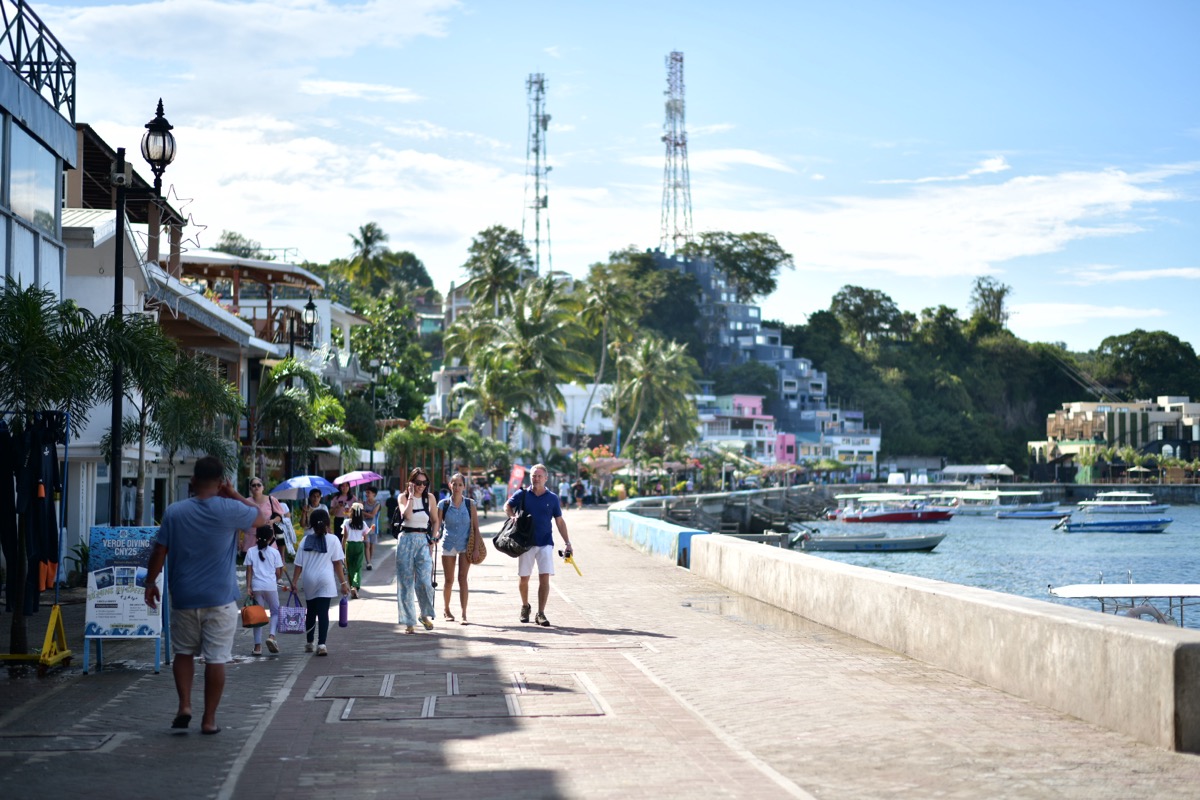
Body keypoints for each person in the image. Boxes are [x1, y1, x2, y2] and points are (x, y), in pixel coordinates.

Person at [143, 455, 268, 735]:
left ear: (194, 480)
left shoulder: (175, 512)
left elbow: (159, 551)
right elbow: (261, 518)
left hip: (184, 597)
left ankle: (184, 705)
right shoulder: (229, 509)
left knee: (183, 653)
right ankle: (209, 720)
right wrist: (233, 493)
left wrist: (150, 583)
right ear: (221, 481)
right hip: (220, 599)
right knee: (216, 658)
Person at [505, 463, 572, 627]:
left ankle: (541, 613)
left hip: (545, 543)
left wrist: (567, 542)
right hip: (525, 543)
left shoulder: (553, 498)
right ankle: (525, 606)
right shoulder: (523, 494)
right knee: (524, 578)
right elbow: (507, 506)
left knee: (544, 578)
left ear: (546, 478)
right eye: (534, 475)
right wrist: (512, 516)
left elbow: (560, 521)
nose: (536, 478)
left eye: (539, 476)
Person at [291, 508, 348, 656]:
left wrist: (294, 582)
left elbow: (298, 564)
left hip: (309, 579)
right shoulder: (334, 540)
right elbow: (337, 563)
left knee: (311, 611)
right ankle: (321, 644)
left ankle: (309, 642)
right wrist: (343, 583)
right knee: (323, 613)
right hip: (325, 579)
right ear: (328, 522)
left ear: (311, 524)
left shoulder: (305, 540)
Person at [395, 467, 439, 634]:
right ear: (411, 483)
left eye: (424, 483)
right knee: (405, 583)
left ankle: (424, 614)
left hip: (423, 541)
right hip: (406, 540)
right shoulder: (403, 497)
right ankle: (409, 622)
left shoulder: (430, 498)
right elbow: (406, 516)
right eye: (418, 483)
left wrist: (433, 539)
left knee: (425, 582)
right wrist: (412, 497)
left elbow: (435, 521)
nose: (422, 486)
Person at [437, 473, 479, 624]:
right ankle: (446, 609)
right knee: (449, 580)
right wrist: (434, 535)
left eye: (460, 484)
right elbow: (437, 525)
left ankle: (464, 614)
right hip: (448, 544)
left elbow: (475, 528)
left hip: (465, 545)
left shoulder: (470, 504)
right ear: (450, 485)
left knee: (463, 579)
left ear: (464, 487)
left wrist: (475, 548)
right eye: (454, 484)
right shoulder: (443, 504)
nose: (457, 487)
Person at [245, 525, 285, 656]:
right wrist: (277, 578)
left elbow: (249, 571)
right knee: (275, 612)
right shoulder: (274, 552)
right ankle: (272, 636)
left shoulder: (251, 551)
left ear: (256, 537)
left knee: (258, 617)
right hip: (270, 587)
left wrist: (248, 587)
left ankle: (257, 647)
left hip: (256, 587)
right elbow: (278, 572)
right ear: (271, 538)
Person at [243, 476, 291, 556]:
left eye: (259, 485)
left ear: (263, 487)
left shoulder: (271, 500)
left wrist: (272, 521)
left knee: (269, 562)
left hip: (268, 538)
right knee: (253, 565)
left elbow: (279, 516)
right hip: (251, 538)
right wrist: (239, 540)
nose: (256, 487)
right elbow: (240, 520)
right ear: (250, 488)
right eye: (254, 485)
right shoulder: (246, 502)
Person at [343, 503, 371, 599]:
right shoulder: (363, 524)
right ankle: (355, 586)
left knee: (350, 567)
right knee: (357, 568)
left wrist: (342, 548)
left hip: (349, 546)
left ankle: (352, 587)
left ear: (352, 512)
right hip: (359, 545)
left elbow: (345, 537)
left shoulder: (346, 522)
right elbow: (365, 537)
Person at [361, 486, 381, 570]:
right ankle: (368, 562)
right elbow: (360, 515)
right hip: (365, 527)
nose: (366, 494)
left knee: (372, 546)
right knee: (367, 544)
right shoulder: (363, 503)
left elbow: (372, 515)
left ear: (374, 494)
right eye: (366, 492)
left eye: (368, 492)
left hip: (373, 527)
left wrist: (362, 511)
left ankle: (369, 561)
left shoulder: (377, 504)